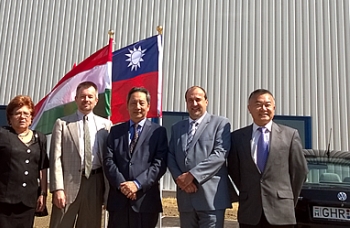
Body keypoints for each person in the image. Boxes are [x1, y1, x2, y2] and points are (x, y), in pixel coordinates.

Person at [228, 89, 308, 228]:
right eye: (258, 104)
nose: (263, 109)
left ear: (274, 108)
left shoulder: (290, 135)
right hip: (250, 212)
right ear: (249, 108)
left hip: (281, 212)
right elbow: (234, 171)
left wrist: (287, 198)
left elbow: (299, 172)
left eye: (267, 104)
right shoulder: (237, 137)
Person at [49, 81, 112, 228]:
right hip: (68, 184)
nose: (86, 100)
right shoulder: (62, 124)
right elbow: (55, 159)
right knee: (61, 224)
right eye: (82, 96)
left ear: (96, 100)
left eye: (90, 96)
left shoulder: (106, 126)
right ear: (76, 99)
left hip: (95, 183)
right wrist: (58, 188)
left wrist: (108, 191)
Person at [167, 85, 232, 228]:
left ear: (206, 101)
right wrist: (181, 180)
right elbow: (170, 155)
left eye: (198, 99)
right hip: (186, 197)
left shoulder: (220, 124)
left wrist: (192, 176)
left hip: (211, 199)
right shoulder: (177, 128)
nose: (194, 103)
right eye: (190, 100)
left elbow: (220, 154)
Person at [0, 95, 49, 228]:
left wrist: (43, 193)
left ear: (31, 117)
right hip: (2, 202)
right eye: (17, 113)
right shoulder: (1, 134)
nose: (22, 117)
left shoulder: (40, 138)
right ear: (10, 118)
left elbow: (43, 168)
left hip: (28, 203)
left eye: (26, 113)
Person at [104, 87, 168, 228]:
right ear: (127, 106)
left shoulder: (158, 132)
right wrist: (123, 185)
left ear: (148, 106)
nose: (137, 107)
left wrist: (137, 184)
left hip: (145, 202)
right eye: (133, 103)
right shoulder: (115, 131)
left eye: (141, 103)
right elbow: (108, 161)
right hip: (119, 201)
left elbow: (160, 164)